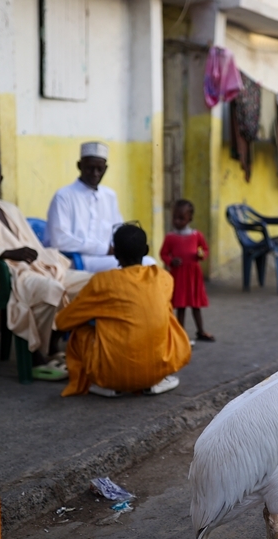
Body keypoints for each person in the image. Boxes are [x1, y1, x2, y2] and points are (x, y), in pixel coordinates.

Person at [0, 155, 91, 375]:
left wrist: (51, 264)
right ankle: (36, 356)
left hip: (35, 269)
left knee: (89, 284)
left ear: (0, 180)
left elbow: (34, 247)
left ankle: (53, 343)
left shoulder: (10, 209)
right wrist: (5, 253)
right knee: (50, 289)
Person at [56, 224, 191, 398]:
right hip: (158, 369)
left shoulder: (102, 282)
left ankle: (106, 382)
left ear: (116, 253)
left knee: (80, 330)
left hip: (110, 377)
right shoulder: (164, 277)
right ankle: (155, 379)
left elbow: (62, 322)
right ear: (146, 251)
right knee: (164, 318)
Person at [46, 142, 156, 272]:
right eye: (90, 168)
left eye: (100, 169)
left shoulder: (109, 195)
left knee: (148, 263)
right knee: (140, 267)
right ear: (80, 166)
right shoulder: (64, 196)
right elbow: (59, 240)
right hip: (79, 259)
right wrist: (103, 249)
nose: (95, 173)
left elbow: (118, 230)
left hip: (110, 257)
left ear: (106, 169)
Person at [160, 200, 215, 342]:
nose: (177, 221)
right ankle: (181, 335)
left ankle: (201, 331)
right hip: (178, 275)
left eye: (181, 218)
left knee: (195, 304)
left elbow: (205, 249)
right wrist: (171, 261)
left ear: (189, 219)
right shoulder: (170, 237)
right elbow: (164, 253)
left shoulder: (196, 235)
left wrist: (201, 255)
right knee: (181, 306)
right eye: (175, 218)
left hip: (193, 275)